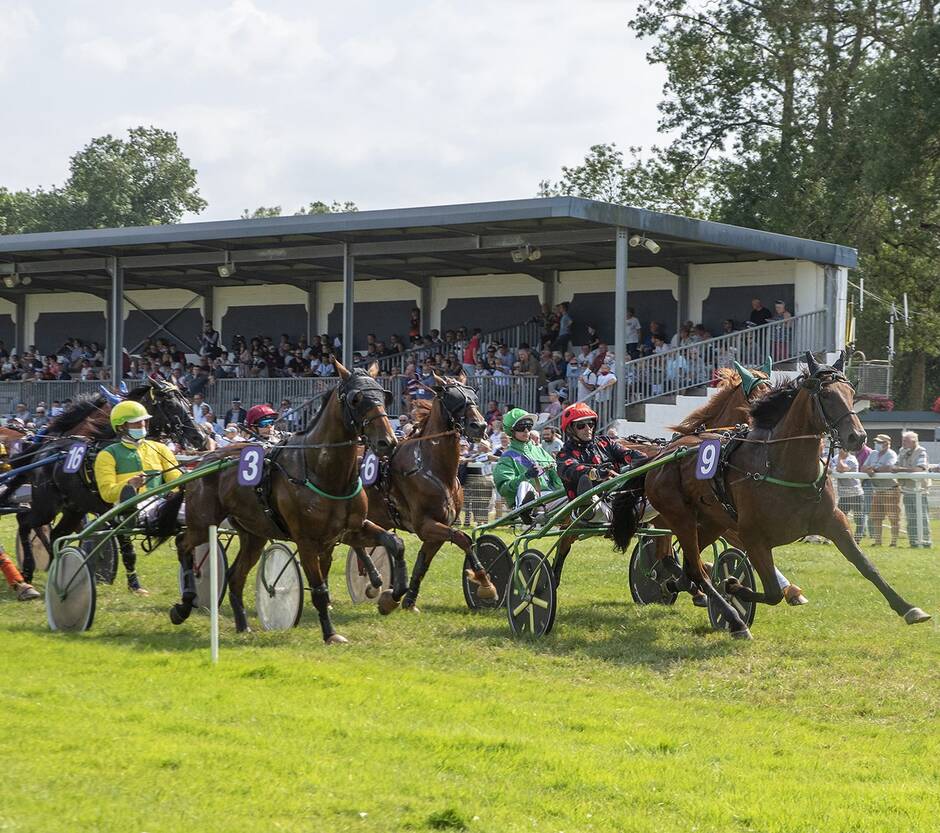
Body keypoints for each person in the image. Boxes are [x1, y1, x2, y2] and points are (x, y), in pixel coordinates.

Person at [93, 401, 183, 596]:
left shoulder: (160, 449)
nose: (142, 427)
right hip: (130, 507)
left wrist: (174, 492)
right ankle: (132, 580)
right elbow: (107, 493)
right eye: (136, 424)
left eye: (143, 423)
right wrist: (129, 486)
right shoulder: (107, 455)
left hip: (161, 504)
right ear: (121, 427)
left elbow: (176, 481)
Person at [555, 403, 646, 523]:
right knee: (590, 497)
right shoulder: (564, 454)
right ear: (570, 429)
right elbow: (571, 469)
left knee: (656, 499)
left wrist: (643, 459)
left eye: (590, 424)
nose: (588, 428)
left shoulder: (606, 442)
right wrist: (595, 473)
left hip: (619, 499)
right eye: (581, 425)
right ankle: (586, 507)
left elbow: (626, 453)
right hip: (595, 503)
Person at [492, 409, 563, 520]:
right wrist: (526, 476)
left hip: (549, 498)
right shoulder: (507, 456)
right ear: (512, 431)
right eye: (521, 427)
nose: (526, 430)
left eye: (529, 426)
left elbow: (558, 484)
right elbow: (504, 488)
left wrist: (557, 470)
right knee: (525, 485)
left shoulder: (540, 451)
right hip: (526, 499)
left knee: (571, 494)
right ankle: (524, 511)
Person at [895, 431, 932, 548]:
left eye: (906, 441)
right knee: (910, 517)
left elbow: (919, 469)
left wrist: (900, 469)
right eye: (903, 440)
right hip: (907, 489)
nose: (903, 443)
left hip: (920, 490)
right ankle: (913, 541)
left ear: (914, 442)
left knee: (922, 517)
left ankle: (926, 541)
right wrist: (900, 469)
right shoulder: (902, 451)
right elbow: (895, 466)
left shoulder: (921, 452)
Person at [863, 433, 900, 547]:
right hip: (877, 490)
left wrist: (874, 469)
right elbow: (863, 467)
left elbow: (890, 467)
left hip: (890, 490)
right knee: (876, 517)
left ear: (887, 444)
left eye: (879, 442)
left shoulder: (891, 454)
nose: (877, 444)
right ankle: (877, 542)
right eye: (876, 442)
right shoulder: (873, 453)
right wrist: (869, 470)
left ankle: (893, 542)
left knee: (893, 518)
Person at [835, 448, 865, 542]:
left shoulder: (851, 459)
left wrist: (839, 458)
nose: (841, 450)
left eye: (843, 449)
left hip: (855, 493)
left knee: (858, 518)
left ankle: (858, 539)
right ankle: (838, 537)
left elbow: (841, 469)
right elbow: (830, 469)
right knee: (839, 518)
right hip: (843, 495)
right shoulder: (836, 458)